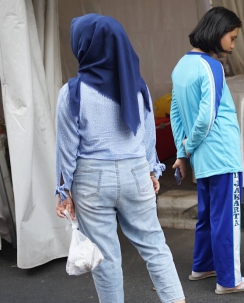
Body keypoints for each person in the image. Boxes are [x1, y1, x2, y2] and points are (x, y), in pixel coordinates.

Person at [54, 14, 186, 303]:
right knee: (155, 247)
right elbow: (148, 136)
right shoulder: (138, 87)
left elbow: (67, 148)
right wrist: (152, 170)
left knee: (106, 259)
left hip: (90, 180)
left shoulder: (72, 92)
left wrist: (64, 192)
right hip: (136, 172)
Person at [170, 7, 244, 295]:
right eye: (232, 38)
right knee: (228, 219)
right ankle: (229, 280)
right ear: (218, 32)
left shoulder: (180, 65)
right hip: (221, 155)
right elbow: (206, 116)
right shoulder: (211, 66)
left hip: (203, 158)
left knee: (209, 214)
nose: (233, 45)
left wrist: (182, 153)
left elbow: (175, 113)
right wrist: (188, 146)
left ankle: (203, 265)